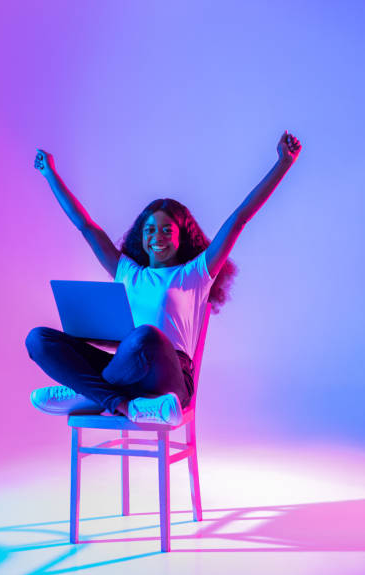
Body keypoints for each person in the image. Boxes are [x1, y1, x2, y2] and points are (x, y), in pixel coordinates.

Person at [25, 131, 302, 425]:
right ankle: (119, 402)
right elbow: (86, 227)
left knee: (145, 336)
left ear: (182, 236)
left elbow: (239, 219)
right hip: (124, 371)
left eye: (166, 230)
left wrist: (283, 163)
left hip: (170, 377)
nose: (157, 237)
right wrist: (50, 174)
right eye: (149, 230)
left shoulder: (195, 273)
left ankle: (90, 393)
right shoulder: (128, 272)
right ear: (140, 237)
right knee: (39, 340)